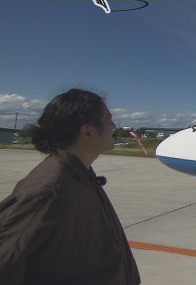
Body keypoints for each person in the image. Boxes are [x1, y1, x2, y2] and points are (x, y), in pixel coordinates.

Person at [0, 89, 141, 285]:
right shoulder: (49, 188)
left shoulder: (80, 174)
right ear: (88, 132)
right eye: (109, 119)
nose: (114, 125)